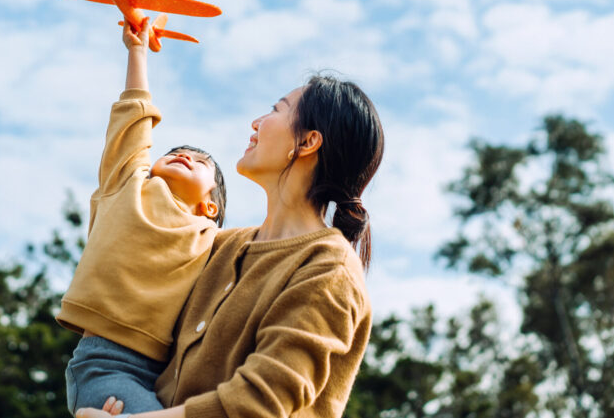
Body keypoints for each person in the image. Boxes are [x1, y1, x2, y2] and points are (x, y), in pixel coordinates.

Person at [77, 72, 385, 418]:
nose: (256, 122)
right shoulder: (219, 246)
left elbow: (258, 404)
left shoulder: (328, 269)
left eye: (276, 109)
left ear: (307, 142)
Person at [59, 19, 228, 415]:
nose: (187, 155)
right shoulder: (128, 185)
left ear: (211, 206)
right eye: (176, 152)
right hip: (103, 364)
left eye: (202, 162)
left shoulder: (210, 237)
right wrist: (137, 51)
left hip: (166, 374)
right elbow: (133, 120)